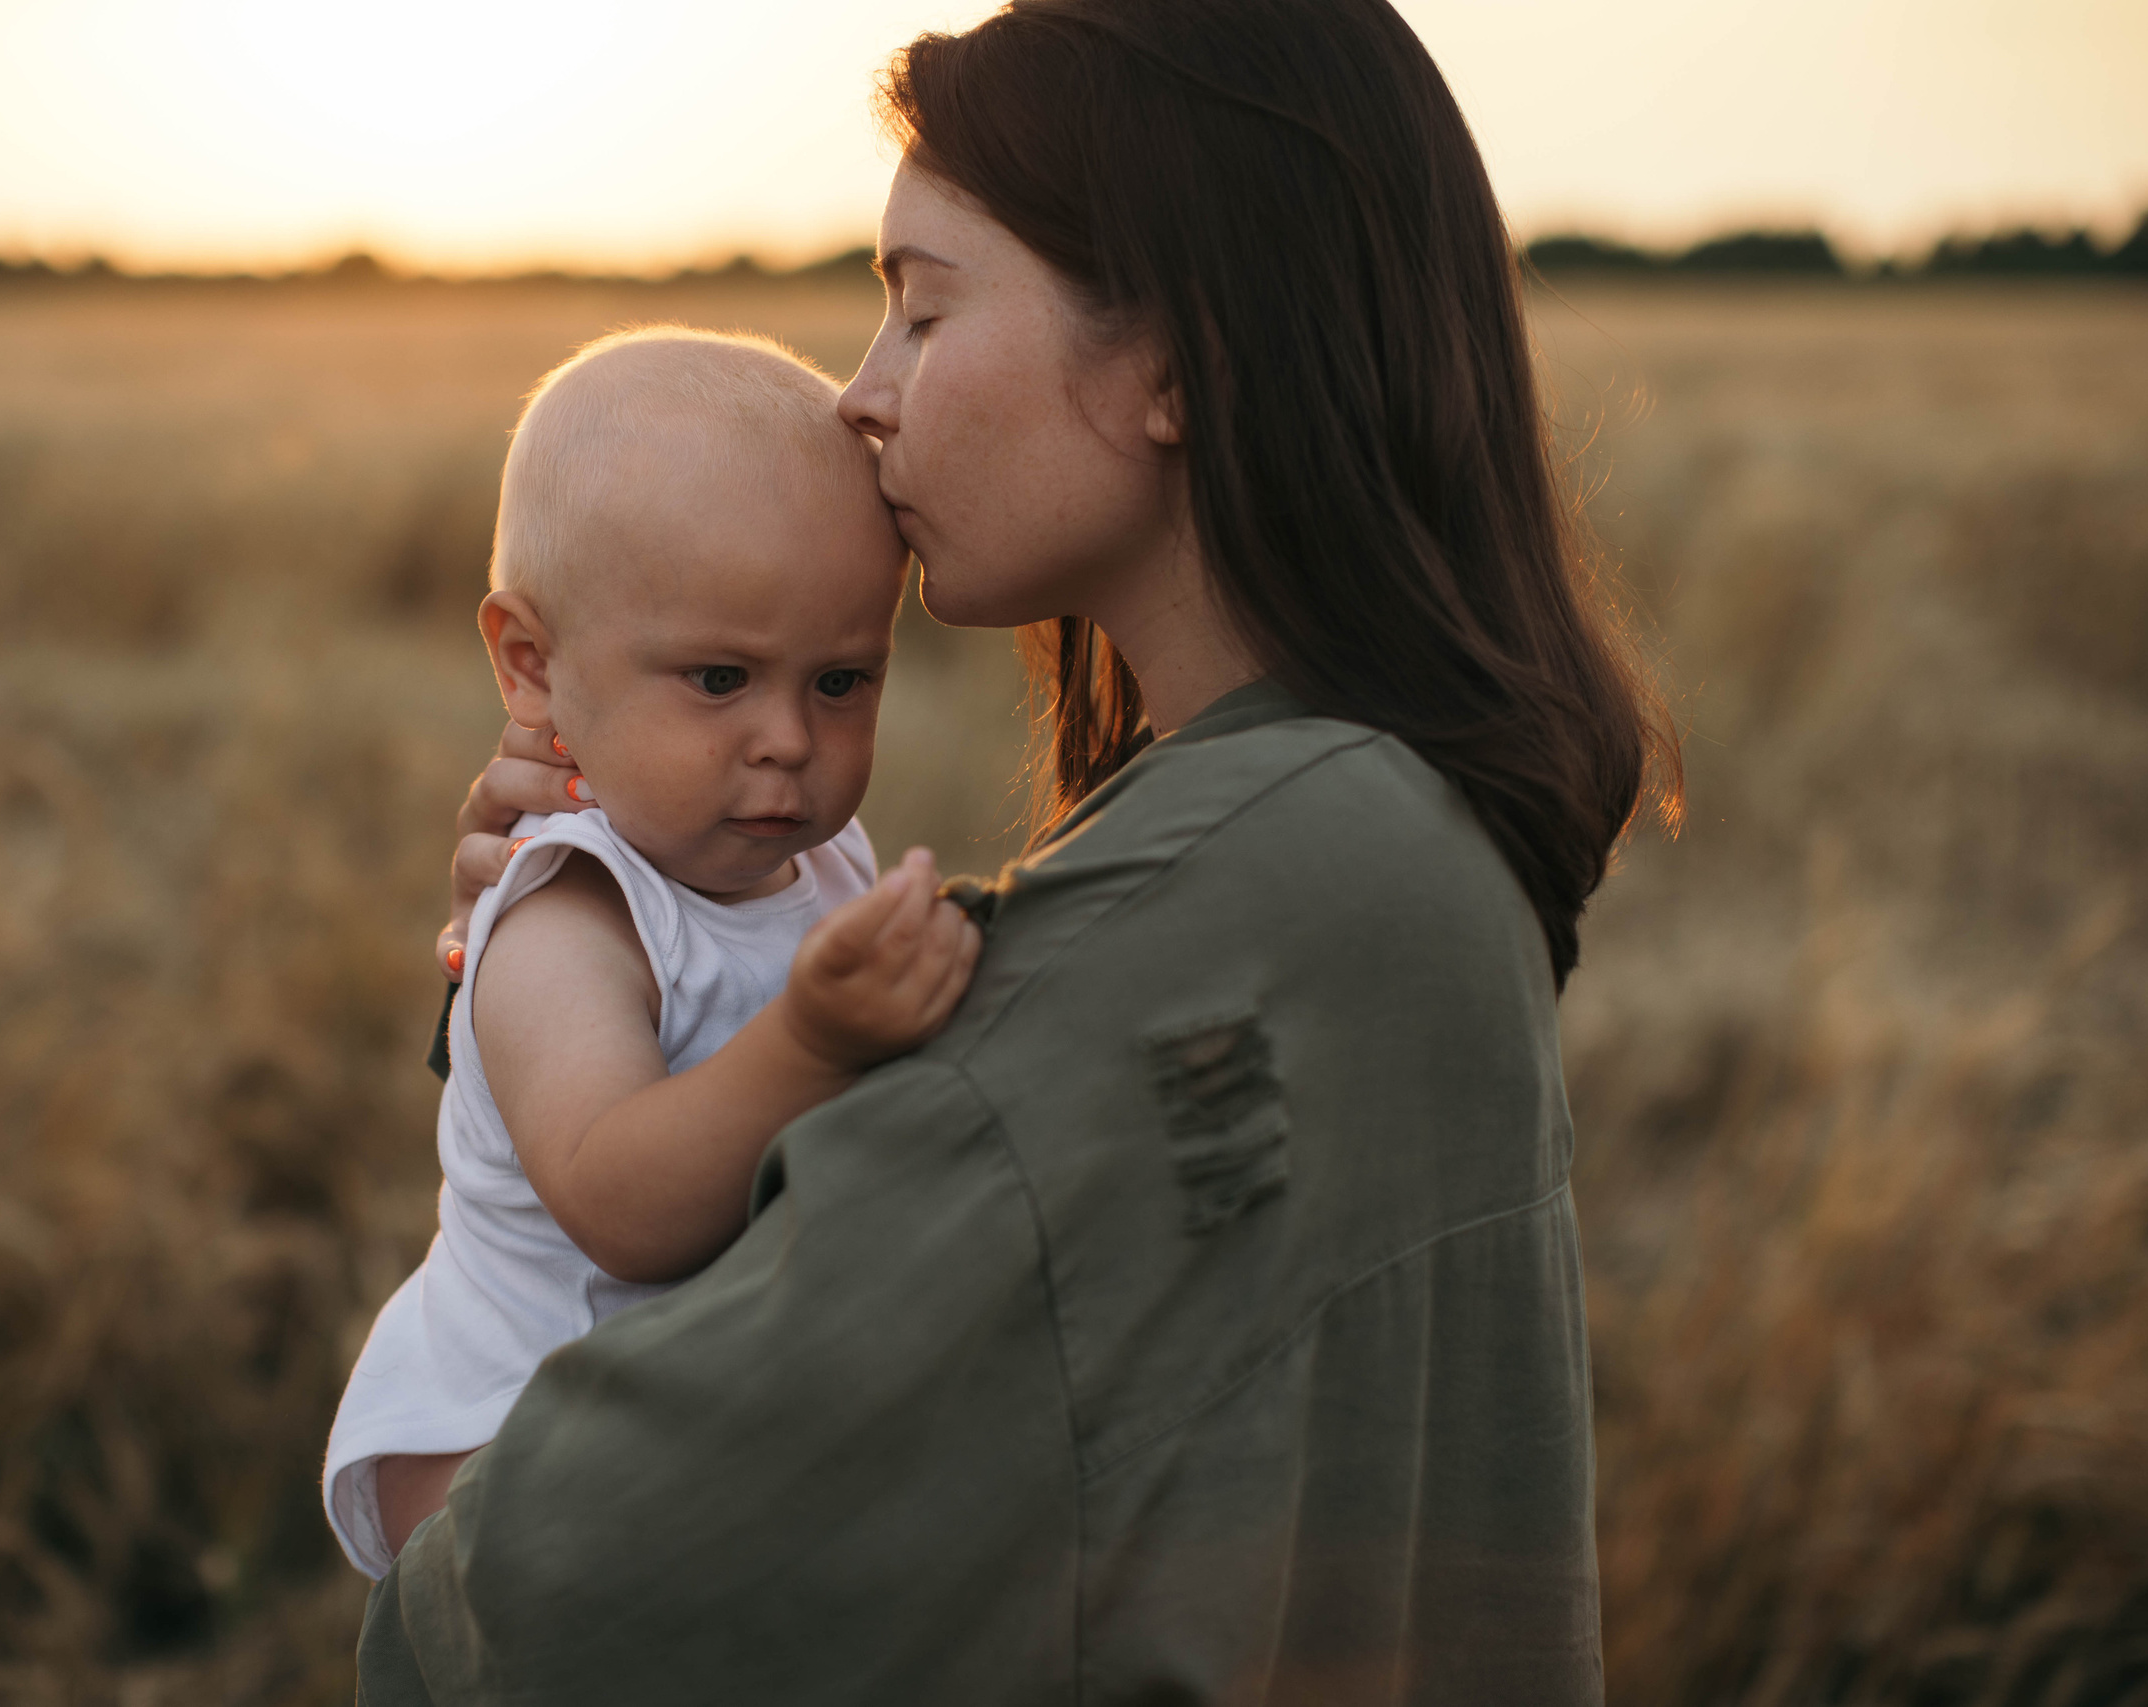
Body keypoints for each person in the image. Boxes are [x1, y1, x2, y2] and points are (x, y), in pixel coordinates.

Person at [362, 0, 1678, 1699]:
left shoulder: (1225, 900)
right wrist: (583, 979)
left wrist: (438, 1580)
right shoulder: (1381, 823)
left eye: (921, 308)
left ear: (1178, 362)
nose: (861, 396)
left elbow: (552, 1606)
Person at [321, 328, 981, 1578]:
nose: (788, 739)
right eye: (720, 678)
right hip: (516, 1451)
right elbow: (620, 1201)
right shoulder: (570, 915)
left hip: (692, 1441)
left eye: (843, 681)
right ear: (532, 665)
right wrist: (816, 1041)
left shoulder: (827, 863)